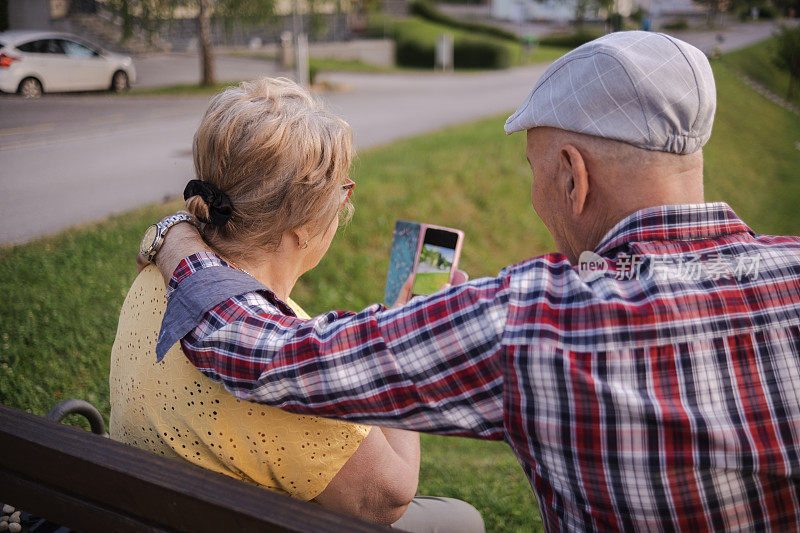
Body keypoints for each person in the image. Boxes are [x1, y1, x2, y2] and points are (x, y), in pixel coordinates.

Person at [146, 32, 800, 531]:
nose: (538, 197)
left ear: (573, 176)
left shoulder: (531, 322)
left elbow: (260, 352)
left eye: (535, 171)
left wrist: (179, 235)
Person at [110, 77, 484, 532]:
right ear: (302, 224)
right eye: (341, 192)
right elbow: (388, 498)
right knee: (462, 519)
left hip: (141, 511)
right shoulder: (287, 356)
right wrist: (414, 347)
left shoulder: (158, 273)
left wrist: (171, 229)